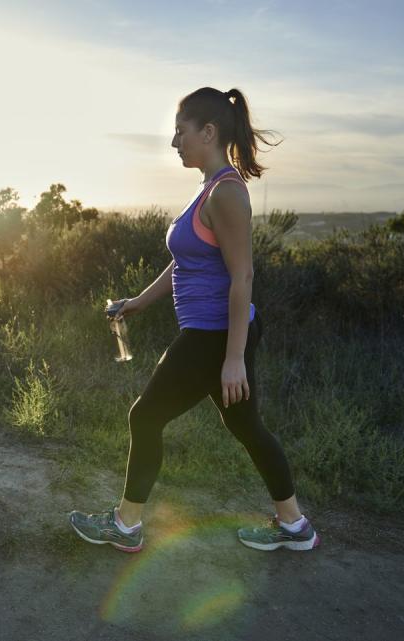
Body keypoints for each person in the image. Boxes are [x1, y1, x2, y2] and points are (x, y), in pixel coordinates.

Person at [69, 87, 320, 553]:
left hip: (215, 335)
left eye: (180, 132)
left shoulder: (226, 193)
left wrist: (233, 359)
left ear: (208, 132)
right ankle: (294, 525)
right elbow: (185, 261)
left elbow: (242, 276)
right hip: (214, 334)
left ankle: (125, 526)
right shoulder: (208, 190)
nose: (174, 142)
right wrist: (139, 302)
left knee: (145, 417)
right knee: (247, 427)